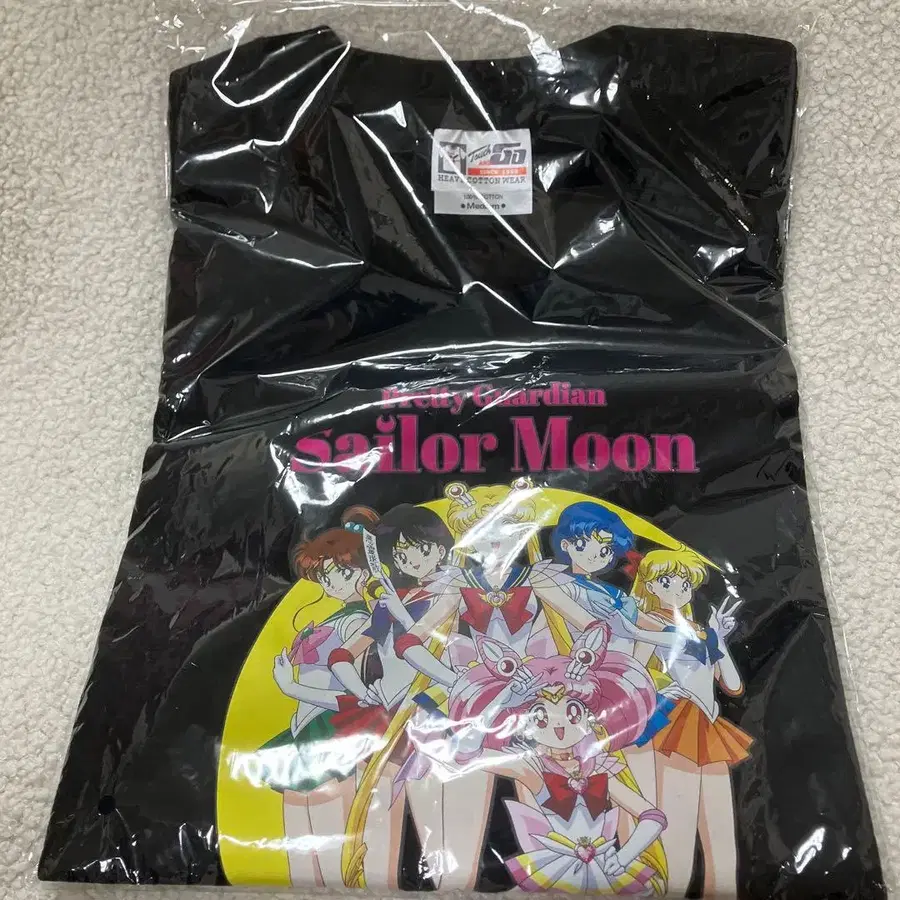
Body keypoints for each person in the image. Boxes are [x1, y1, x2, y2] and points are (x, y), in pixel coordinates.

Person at [411, 628, 668, 895]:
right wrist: (501, 702)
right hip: (552, 866)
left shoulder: (599, 768)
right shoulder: (532, 768)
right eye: (541, 718)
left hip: (607, 867)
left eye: (572, 712)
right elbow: (466, 753)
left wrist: (625, 856)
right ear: (526, 725)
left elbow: (652, 816)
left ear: (590, 717)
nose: (559, 726)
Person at [632, 547, 752, 898]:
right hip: (673, 724)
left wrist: (719, 639)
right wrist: (661, 688)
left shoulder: (700, 630)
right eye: (668, 580)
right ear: (649, 585)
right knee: (677, 835)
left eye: (685, 582)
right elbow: (632, 673)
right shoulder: (646, 623)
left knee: (721, 836)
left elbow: (733, 686)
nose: (679, 588)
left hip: (710, 726)